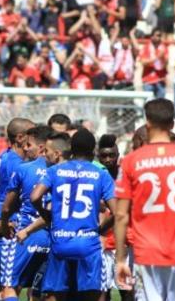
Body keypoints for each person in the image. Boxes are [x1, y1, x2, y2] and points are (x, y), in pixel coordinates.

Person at [114, 98, 175, 299]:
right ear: (172, 124)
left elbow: (121, 216)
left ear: (147, 123)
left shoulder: (131, 161)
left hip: (145, 255)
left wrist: (121, 260)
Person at [31, 127, 116, 300]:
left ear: (71, 148)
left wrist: (46, 214)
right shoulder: (100, 174)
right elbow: (117, 212)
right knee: (92, 294)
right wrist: (101, 229)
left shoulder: (55, 170)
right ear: (94, 151)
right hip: (88, 244)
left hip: (61, 241)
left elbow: (34, 196)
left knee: (55, 294)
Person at [0, 117, 35, 301]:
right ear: (20, 138)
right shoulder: (17, 164)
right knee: (10, 287)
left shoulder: (6, 156)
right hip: (6, 228)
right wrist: (8, 222)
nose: (34, 139)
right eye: (32, 134)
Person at [0, 125, 54, 301]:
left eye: (29, 145)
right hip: (51, 238)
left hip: (25, 235)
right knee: (38, 292)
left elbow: (6, 207)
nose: (25, 148)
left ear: (41, 148)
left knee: (9, 288)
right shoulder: (58, 171)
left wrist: (4, 224)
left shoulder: (23, 169)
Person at [96, 134, 134, 301]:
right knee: (103, 295)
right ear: (98, 155)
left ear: (118, 155)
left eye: (112, 155)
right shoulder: (94, 176)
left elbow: (123, 211)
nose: (108, 159)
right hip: (101, 245)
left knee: (127, 292)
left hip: (122, 243)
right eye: (104, 155)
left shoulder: (125, 176)